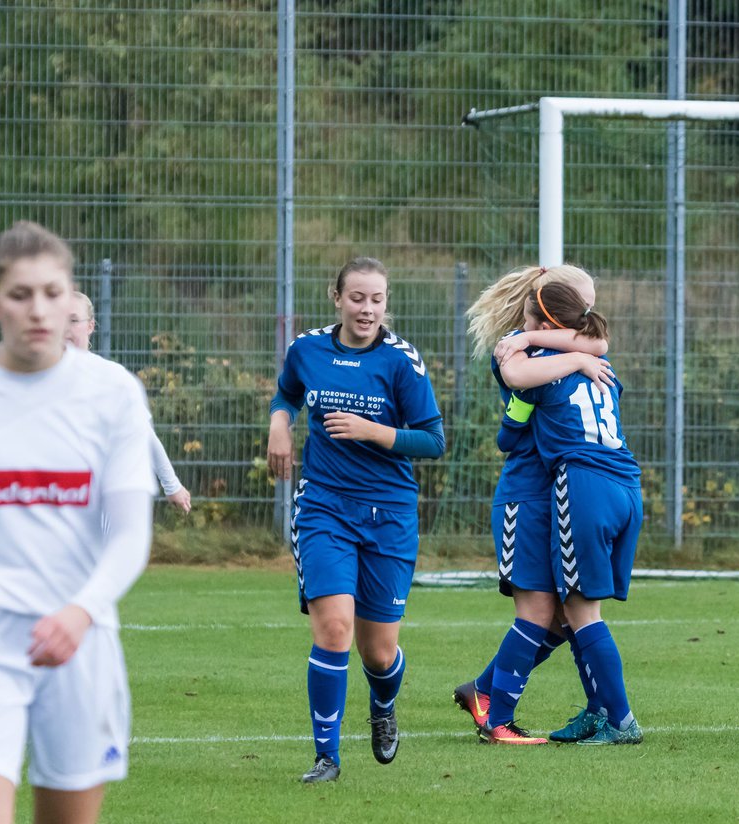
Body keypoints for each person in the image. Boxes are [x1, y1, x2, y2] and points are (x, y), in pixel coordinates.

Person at [0, 221, 157, 824]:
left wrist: (80, 611)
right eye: (20, 294)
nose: (39, 309)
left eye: (53, 292)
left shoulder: (114, 395)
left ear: (71, 296)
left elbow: (131, 534)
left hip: (81, 642)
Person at [267, 257, 445, 782]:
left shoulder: (401, 363)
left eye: (377, 300)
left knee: (379, 650)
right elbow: (287, 392)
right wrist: (281, 421)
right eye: (358, 298)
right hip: (324, 506)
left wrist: (373, 431)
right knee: (335, 628)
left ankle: (383, 705)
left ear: (386, 304)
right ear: (337, 297)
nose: (367, 309)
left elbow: (433, 439)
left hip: (389, 514)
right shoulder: (308, 349)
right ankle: (327, 756)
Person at [454, 265, 614, 745]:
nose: (587, 322)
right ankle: (496, 712)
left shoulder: (549, 347)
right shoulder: (518, 353)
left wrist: (577, 354)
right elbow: (510, 432)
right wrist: (571, 357)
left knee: (570, 617)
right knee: (546, 611)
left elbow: (596, 345)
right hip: (528, 496)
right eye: (580, 310)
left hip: (566, 493)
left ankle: (484, 690)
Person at [496, 280, 646, 745]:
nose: (521, 327)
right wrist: (578, 355)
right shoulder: (603, 363)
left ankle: (620, 722)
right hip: (627, 484)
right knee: (581, 607)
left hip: (584, 485)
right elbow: (592, 343)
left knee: (580, 613)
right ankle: (598, 711)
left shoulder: (536, 364)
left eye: (527, 320)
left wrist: (523, 344)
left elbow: (512, 405)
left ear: (544, 325)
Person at [66, 291, 192, 514]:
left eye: (74, 320)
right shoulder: (35, 380)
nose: (66, 328)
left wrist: (171, 485)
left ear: (90, 326)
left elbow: (144, 434)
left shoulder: (113, 379)